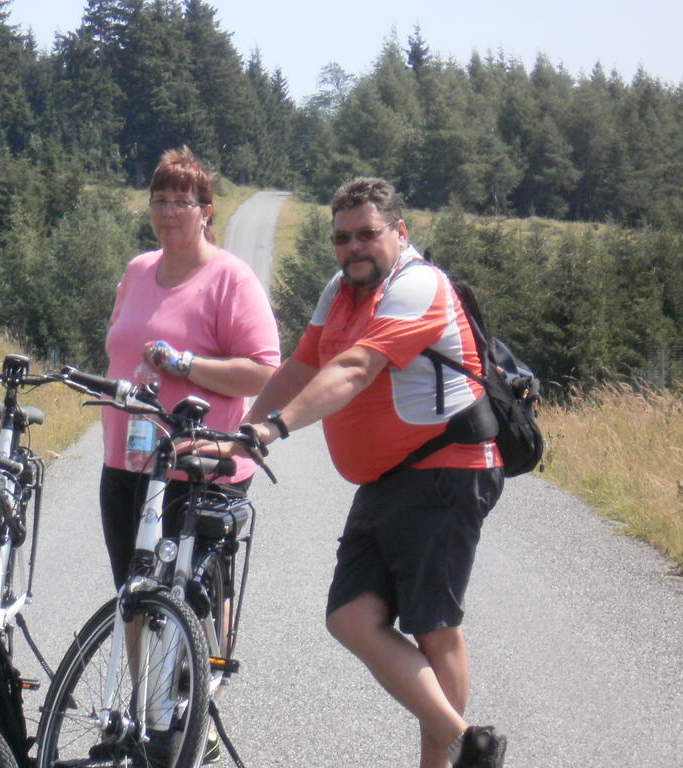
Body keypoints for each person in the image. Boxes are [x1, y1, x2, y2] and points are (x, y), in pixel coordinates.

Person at [228, 177, 507, 768]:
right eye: (342, 237)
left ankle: (454, 756)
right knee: (352, 617)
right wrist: (239, 436)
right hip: (388, 479)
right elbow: (300, 366)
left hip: (444, 470)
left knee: (433, 628)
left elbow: (355, 367)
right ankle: (466, 745)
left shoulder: (419, 285)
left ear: (399, 233)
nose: (353, 247)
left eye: (368, 234)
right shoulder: (340, 290)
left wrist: (273, 430)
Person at [99, 147, 280, 762]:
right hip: (127, 459)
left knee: (192, 596)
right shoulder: (137, 269)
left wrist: (187, 366)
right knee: (134, 589)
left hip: (201, 465)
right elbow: (118, 350)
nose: (170, 211)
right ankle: (147, 709)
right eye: (160, 199)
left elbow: (263, 372)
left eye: (183, 201)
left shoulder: (230, 278)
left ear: (207, 212)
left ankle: (198, 707)